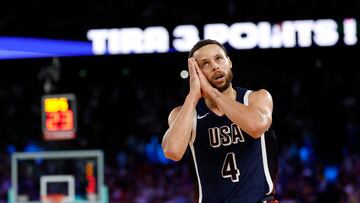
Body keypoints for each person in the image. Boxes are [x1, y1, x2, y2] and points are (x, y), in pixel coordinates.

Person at [162, 39, 279, 203]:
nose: (215, 66)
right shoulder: (185, 113)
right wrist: (193, 96)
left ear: (229, 62)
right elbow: (172, 151)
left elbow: (256, 127)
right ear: (196, 74)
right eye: (205, 64)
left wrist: (212, 93)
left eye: (219, 59)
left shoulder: (255, 98)